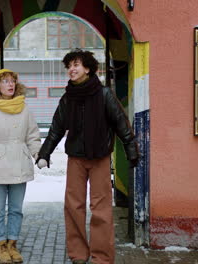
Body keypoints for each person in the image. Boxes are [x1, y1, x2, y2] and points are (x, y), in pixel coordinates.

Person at [36, 49, 139, 264]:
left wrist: (131, 149)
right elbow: (56, 128)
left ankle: (101, 257)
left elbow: (121, 122)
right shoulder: (67, 98)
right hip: (76, 158)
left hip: (99, 157)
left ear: (88, 68)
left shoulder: (104, 94)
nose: (71, 69)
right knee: (73, 206)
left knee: (101, 209)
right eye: (69, 66)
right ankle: (78, 254)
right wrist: (44, 153)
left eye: (76, 65)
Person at [0, 69, 41, 264]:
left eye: (12, 81)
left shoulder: (24, 108)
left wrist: (38, 154)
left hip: (19, 165)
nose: (10, 85)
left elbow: (32, 135)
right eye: (5, 81)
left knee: (16, 210)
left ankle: (12, 244)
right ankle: (1, 246)